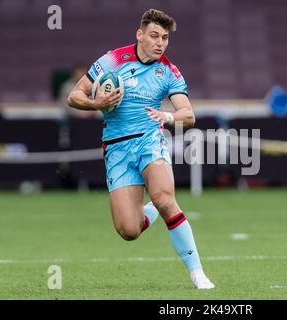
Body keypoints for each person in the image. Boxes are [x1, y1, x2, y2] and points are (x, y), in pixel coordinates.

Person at [67, 9, 214, 289]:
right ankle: (151, 210)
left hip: (150, 140)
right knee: (128, 230)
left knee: (164, 197)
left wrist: (168, 117)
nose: (160, 43)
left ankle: (197, 273)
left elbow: (188, 114)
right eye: (154, 36)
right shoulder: (112, 60)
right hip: (117, 148)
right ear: (140, 34)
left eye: (165, 38)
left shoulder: (169, 71)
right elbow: (74, 96)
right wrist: (98, 104)